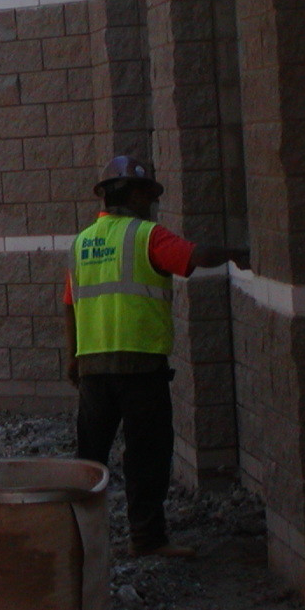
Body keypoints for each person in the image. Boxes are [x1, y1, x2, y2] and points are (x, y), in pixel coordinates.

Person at [64, 156, 249, 559]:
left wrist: (73, 358)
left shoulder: (82, 242)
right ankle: (146, 538)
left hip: (94, 368)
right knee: (147, 454)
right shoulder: (146, 235)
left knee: (89, 459)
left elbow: (70, 303)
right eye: (146, 193)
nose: (150, 201)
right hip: (140, 366)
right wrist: (237, 252)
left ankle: (76, 542)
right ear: (129, 194)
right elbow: (195, 256)